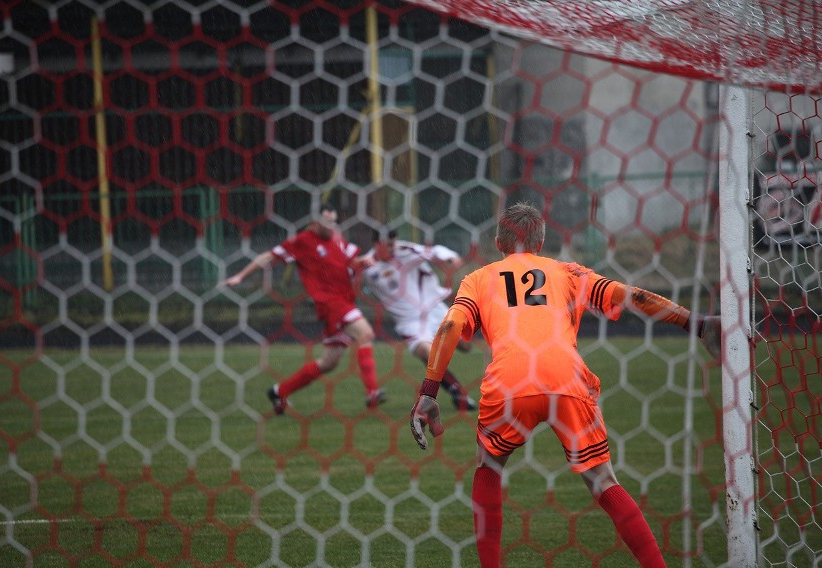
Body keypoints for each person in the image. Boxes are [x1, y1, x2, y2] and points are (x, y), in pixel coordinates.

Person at [409, 203, 721, 567]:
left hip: (510, 383)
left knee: (488, 467)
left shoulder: (479, 278)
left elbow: (448, 328)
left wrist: (429, 392)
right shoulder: (568, 272)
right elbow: (633, 296)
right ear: (540, 243)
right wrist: (694, 322)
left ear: (498, 242)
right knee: (604, 481)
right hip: (567, 380)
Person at [223, 203, 386, 414]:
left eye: (334, 221)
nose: (332, 226)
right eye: (327, 222)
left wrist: (363, 262)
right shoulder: (302, 242)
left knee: (329, 362)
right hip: (331, 303)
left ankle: (279, 392)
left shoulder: (336, 239)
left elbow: (349, 262)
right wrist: (240, 276)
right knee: (365, 334)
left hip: (344, 301)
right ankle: (372, 392)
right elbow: (268, 257)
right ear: (315, 221)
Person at [362, 230, 477, 411]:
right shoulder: (367, 266)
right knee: (429, 355)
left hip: (434, 309)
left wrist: (450, 257)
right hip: (410, 321)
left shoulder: (406, 250)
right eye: (388, 245)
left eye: (394, 244)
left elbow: (434, 250)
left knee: (464, 345)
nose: (393, 248)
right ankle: (459, 394)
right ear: (377, 245)